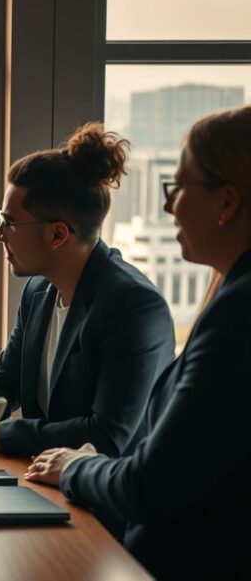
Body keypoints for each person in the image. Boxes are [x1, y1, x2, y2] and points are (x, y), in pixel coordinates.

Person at [25, 105, 251, 579]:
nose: (168, 206)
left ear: (227, 202)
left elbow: (151, 484)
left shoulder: (236, 318)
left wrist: (73, 466)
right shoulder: (230, 300)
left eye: (178, 188)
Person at [0, 123, 174, 458]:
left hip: (107, 501)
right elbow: (4, 381)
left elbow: (107, 436)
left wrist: (0, 435)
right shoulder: (38, 290)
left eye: (9, 222)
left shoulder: (134, 307)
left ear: (58, 235)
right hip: (47, 480)